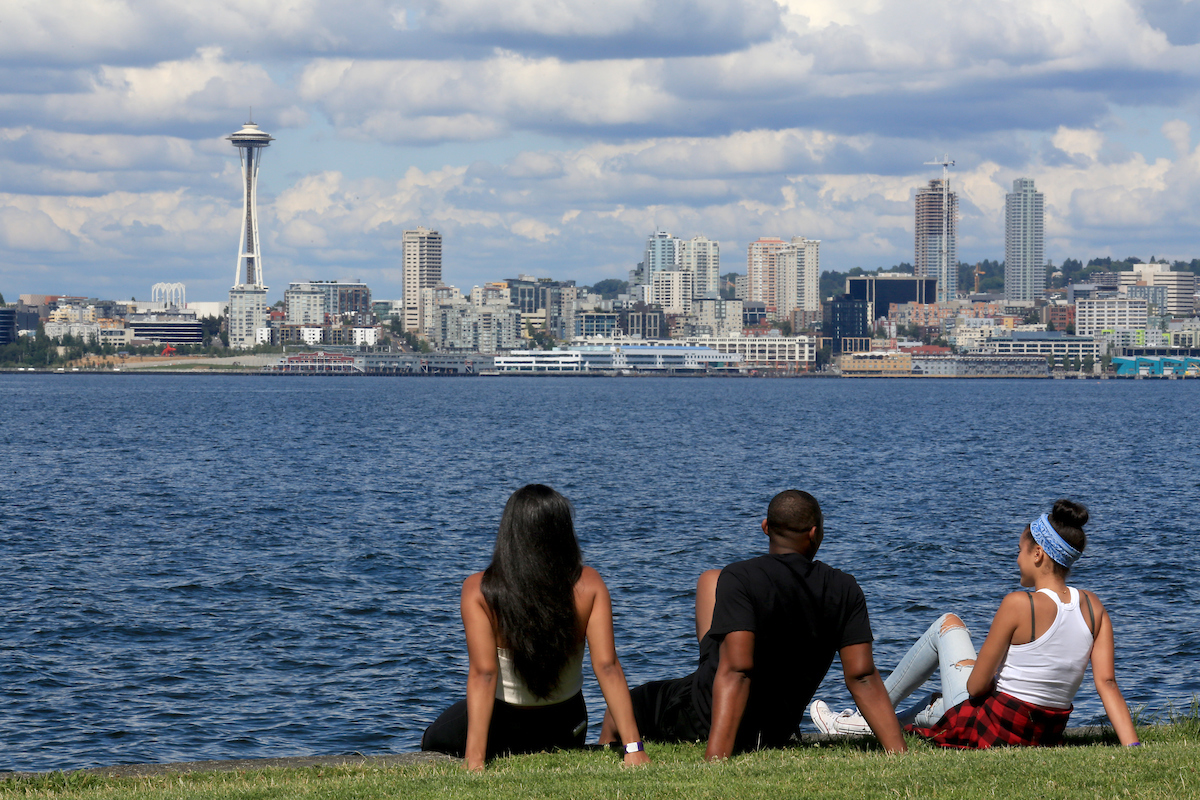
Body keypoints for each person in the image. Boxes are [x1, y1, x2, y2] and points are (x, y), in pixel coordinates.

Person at [600, 490, 906, 759]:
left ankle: (604, 749)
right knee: (710, 581)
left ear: (765, 528)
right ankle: (708, 662)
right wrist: (897, 751)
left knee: (621, 707)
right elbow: (863, 675)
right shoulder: (844, 587)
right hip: (778, 725)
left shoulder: (741, 576)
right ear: (814, 534)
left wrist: (716, 757)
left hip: (707, 716)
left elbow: (737, 670)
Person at [810, 499, 1140, 749]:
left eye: (1020, 550)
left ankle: (860, 718)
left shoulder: (1018, 604)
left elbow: (975, 688)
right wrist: (1133, 747)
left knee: (948, 623)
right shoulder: (1095, 608)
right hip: (1041, 733)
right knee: (938, 703)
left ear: (1038, 553)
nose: (1017, 559)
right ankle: (867, 723)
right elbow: (1107, 683)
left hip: (998, 727)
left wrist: (982, 669)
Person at [421, 484, 651, 770]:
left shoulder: (479, 590)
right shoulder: (590, 584)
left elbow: (484, 674)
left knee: (431, 736)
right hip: (567, 729)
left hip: (502, 730)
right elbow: (607, 666)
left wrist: (476, 760)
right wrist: (633, 748)